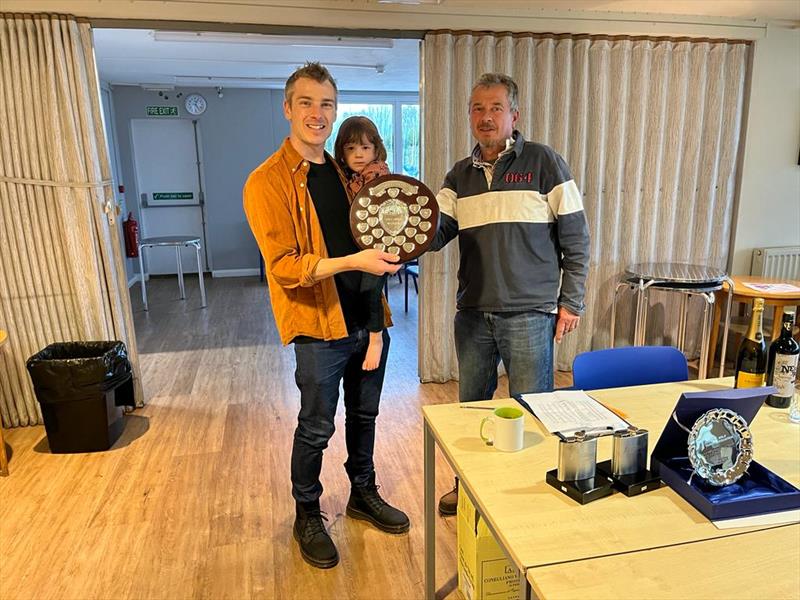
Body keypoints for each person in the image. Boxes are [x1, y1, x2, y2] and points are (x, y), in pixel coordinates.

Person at [243, 62, 410, 570]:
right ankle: (307, 514)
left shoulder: (346, 173)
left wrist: (394, 249)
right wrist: (354, 261)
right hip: (319, 328)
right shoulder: (266, 181)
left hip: (367, 320)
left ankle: (363, 492)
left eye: (327, 105)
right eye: (308, 103)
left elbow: (377, 235)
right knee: (316, 427)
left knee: (366, 415)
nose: (318, 114)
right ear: (288, 108)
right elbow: (285, 266)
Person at [431, 73, 590, 515]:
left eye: (495, 108)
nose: (486, 117)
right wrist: (399, 226)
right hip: (474, 314)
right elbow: (436, 232)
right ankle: (469, 488)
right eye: (478, 108)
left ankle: (528, 493)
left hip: (529, 315)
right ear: (468, 115)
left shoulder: (544, 163)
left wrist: (571, 301)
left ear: (513, 115)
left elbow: (576, 238)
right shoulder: (457, 175)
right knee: (471, 412)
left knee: (533, 411)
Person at [334, 116, 391, 371]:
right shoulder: (348, 177)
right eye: (351, 148)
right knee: (360, 291)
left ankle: (376, 338)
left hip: (378, 247)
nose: (359, 154)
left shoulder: (376, 174)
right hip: (360, 247)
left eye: (365, 148)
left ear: (376, 149)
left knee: (370, 291)